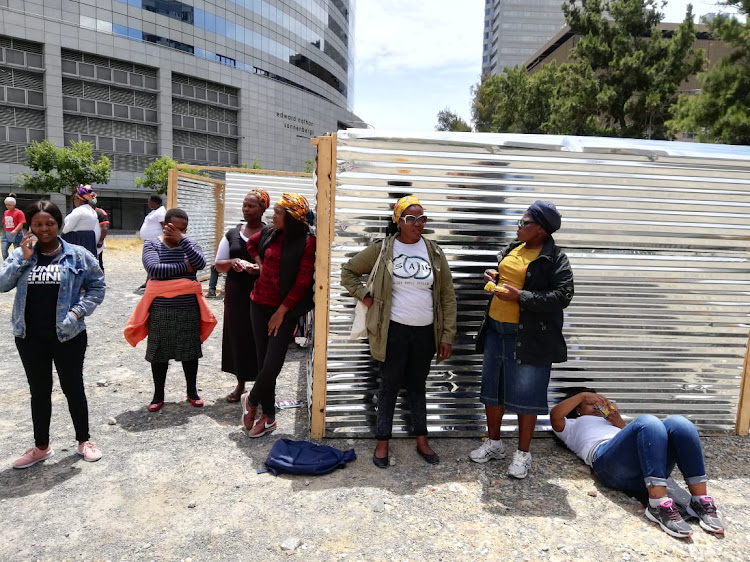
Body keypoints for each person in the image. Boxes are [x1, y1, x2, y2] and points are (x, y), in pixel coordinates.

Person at [341, 195, 457, 468]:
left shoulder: (434, 252)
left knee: (417, 387)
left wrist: (447, 334)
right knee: (390, 386)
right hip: (392, 332)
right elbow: (348, 272)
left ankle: (422, 440)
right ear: (398, 221)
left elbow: (447, 296)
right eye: (411, 219)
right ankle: (382, 443)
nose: (418, 224)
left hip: (425, 333)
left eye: (422, 218)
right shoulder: (384, 249)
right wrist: (364, 296)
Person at [470, 201, 573, 479]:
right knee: (493, 391)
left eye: (525, 223)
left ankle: (523, 454)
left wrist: (520, 297)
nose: (519, 226)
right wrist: (494, 275)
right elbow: (507, 275)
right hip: (496, 331)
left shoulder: (556, 259)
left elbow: (563, 296)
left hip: (528, 337)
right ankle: (493, 444)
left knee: (527, 396)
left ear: (540, 229)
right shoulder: (513, 248)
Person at [0, 200, 105, 467]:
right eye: (38, 224)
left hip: (68, 334)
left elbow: (97, 287)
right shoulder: (23, 253)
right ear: (30, 226)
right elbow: (2, 284)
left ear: (59, 224)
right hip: (30, 336)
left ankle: (84, 440)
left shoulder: (78, 254)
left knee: (73, 387)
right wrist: (22, 257)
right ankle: (41, 447)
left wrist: (77, 313)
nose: (44, 229)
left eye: (50, 223)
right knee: (39, 391)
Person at [551, 390, 726, 538]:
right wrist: (582, 396)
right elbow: (555, 415)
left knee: (680, 424)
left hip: (647, 467)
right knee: (648, 421)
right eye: (591, 403)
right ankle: (658, 504)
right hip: (607, 463)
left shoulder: (611, 422)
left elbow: (645, 438)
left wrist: (618, 422)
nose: (597, 406)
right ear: (578, 410)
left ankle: (700, 501)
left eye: (600, 403)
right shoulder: (571, 426)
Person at [124, 208, 215, 411]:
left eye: (183, 229)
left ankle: (192, 391)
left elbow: (200, 264)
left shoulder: (189, 244)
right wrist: (185, 266)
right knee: (159, 353)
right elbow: (154, 270)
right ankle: (158, 394)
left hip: (188, 308)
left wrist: (182, 242)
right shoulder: (152, 244)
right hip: (161, 310)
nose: (179, 233)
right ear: (165, 225)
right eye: (175, 228)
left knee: (190, 352)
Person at [240, 193, 315, 438]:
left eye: (279, 212)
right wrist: (261, 264)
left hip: (284, 310)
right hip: (258, 305)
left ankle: (250, 401)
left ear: (292, 218)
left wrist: (282, 312)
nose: (273, 215)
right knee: (263, 362)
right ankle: (269, 417)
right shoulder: (271, 232)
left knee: (273, 363)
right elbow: (251, 244)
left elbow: (303, 282)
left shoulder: (306, 242)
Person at [214, 189, 268, 402]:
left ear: (263, 208)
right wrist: (232, 263)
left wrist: (259, 269)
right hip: (236, 294)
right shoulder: (232, 234)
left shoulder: (270, 233)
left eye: (252, 206)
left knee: (260, 338)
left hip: (262, 293)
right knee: (237, 336)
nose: (246, 209)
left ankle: (262, 387)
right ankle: (240, 384)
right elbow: (218, 264)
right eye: (245, 205)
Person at [135, 195, 166, 293]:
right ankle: (148, 281)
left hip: (155, 243)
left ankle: (150, 282)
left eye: (149, 201)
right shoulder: (154, 211)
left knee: (152, 261)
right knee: (149, 261)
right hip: (150, 242)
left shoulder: (161, 212)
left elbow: (164, 227)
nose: (148, 203)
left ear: (155, 202)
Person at [61, 185, 100, 257]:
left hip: (76, 239)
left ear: (79, 199)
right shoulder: (93, 211)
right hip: (90, 238)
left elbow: (68, 228)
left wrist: (63, 235)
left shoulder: (78, 211)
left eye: (75, 199)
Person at [3, 194, 26, 261]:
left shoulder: (19, 212)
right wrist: (4, 232)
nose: (7, 206)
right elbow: (4, 222)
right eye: (6, 205)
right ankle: (7, 264)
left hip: (17, 234)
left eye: (9, 205)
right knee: (4, 250)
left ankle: (17, 264)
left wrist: (15, 230)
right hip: (7, 233)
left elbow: (21, 222)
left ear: (13, 205)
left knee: (17, 251)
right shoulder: (6, 212)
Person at [91, 198, 109, 271]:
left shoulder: (100, 212)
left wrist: (101, 240)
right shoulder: (86, 212)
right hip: (88, 241)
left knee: (98, 263)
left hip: (97, 242)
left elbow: (105, 227)